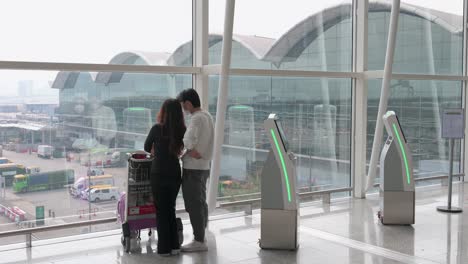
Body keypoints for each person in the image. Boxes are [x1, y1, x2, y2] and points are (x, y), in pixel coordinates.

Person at [144, 99, 186, 256]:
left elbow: (146, 147)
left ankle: (163, 249)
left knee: (161, 211)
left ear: (163, 112)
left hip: (159, 173)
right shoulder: (182, 130)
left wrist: (156, 151)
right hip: (175, 173)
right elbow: (182, 148)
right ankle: (175, 246)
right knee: (171, 209)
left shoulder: (157, 128)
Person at [177, 89, 214, 252]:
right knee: (201, 201)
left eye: (183, 105)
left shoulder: (196, 118)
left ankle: (199, 240)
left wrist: (188, 150)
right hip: (205, 166)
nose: (184, 109)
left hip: (192, 167)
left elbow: (188, 140)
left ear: (188, 103)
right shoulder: (207, 116)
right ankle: (202, 234)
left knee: (193, 204)